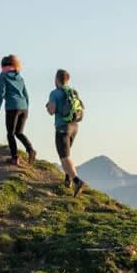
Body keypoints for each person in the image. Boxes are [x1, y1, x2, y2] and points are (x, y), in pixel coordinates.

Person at [46, 68, 86, 196]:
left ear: (56, 79)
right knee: (66, 154)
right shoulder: (73, 92)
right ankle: (67, 180)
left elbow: (51, 111)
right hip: (74, 126)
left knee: (64, 157)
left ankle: (76, 181)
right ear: (67, 80)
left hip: (62, 127)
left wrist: (48, 106)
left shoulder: (54, 93)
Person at [0, 54, 37, 166]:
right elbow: (26, 95)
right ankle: (31, 150)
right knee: (19, 132)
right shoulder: (20, 77)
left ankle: (15, 158)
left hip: (12, 108)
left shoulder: (3, 76)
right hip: (23, 108)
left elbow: (1, 94)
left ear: (3, 65)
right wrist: (26, 108)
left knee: (10, 134)